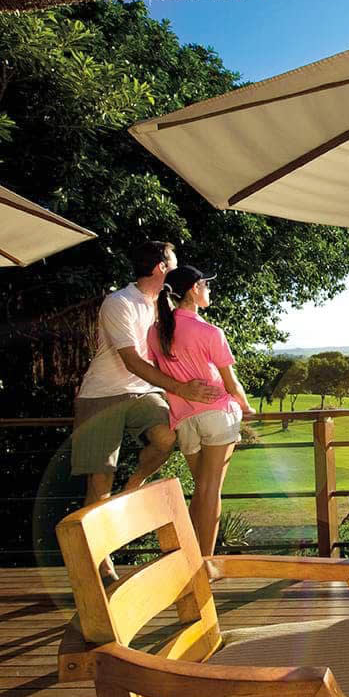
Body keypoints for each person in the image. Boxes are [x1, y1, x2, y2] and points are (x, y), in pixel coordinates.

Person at [71, 241, 220, 576]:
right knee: (99, 482)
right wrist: (181, 388)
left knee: (167, 437)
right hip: (102, 396)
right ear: (159, 268)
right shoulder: (119, 302)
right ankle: (100, 565)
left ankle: (133, 485)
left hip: (143, 393)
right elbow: (133, 361)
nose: (178, 268)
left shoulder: (164, 306)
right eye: (173, 262)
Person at [147, 265, 255, 556]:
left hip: (184, 421)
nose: (210, 289)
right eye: (206, 284)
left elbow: (160, 373)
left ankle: (190, 558)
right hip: (216, 415)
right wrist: (246, 406)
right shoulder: (209, 332)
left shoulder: (155, 333)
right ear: (194, 289)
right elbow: (232, 384)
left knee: (202, 491)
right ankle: (203, 565)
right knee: (209, 491)